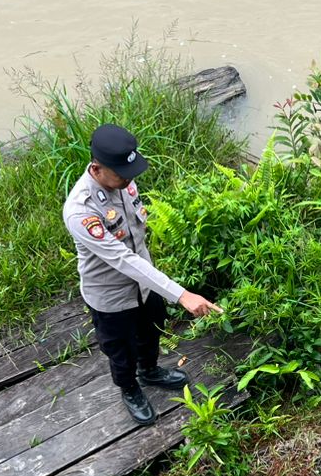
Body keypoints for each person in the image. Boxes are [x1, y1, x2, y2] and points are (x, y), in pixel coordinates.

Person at [63, 123, 223, 425]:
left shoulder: (124, 183)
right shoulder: (80, 210)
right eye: (122, 174)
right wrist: (182, 294)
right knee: (120, 351)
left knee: (152, 332)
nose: (129, 179)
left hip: (145, 287)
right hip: (111, 297)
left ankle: (149, 371)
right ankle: (130, 389)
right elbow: (123, 259)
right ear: (97, 169)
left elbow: (137, 237)